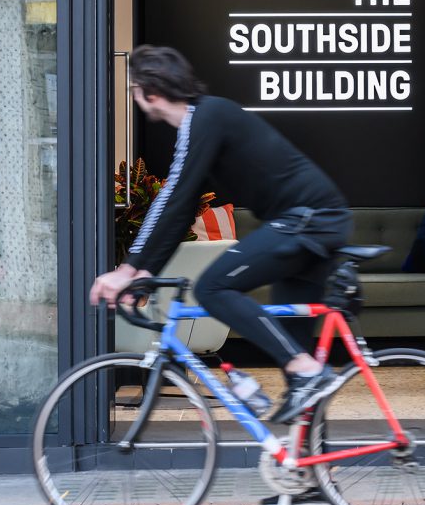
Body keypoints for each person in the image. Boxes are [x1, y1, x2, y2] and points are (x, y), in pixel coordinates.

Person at [90, 45, 352, 427]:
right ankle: (310, 477)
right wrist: (145, 271)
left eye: (133, 88)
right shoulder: (205, 120)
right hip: (309, 224)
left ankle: (306, 371)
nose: (133, 95)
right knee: (299, 371)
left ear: (150, 91)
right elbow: (181, 211)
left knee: (212, 288)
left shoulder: (206, 116)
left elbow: (175, 195)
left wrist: (127, 269)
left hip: (307, 221)